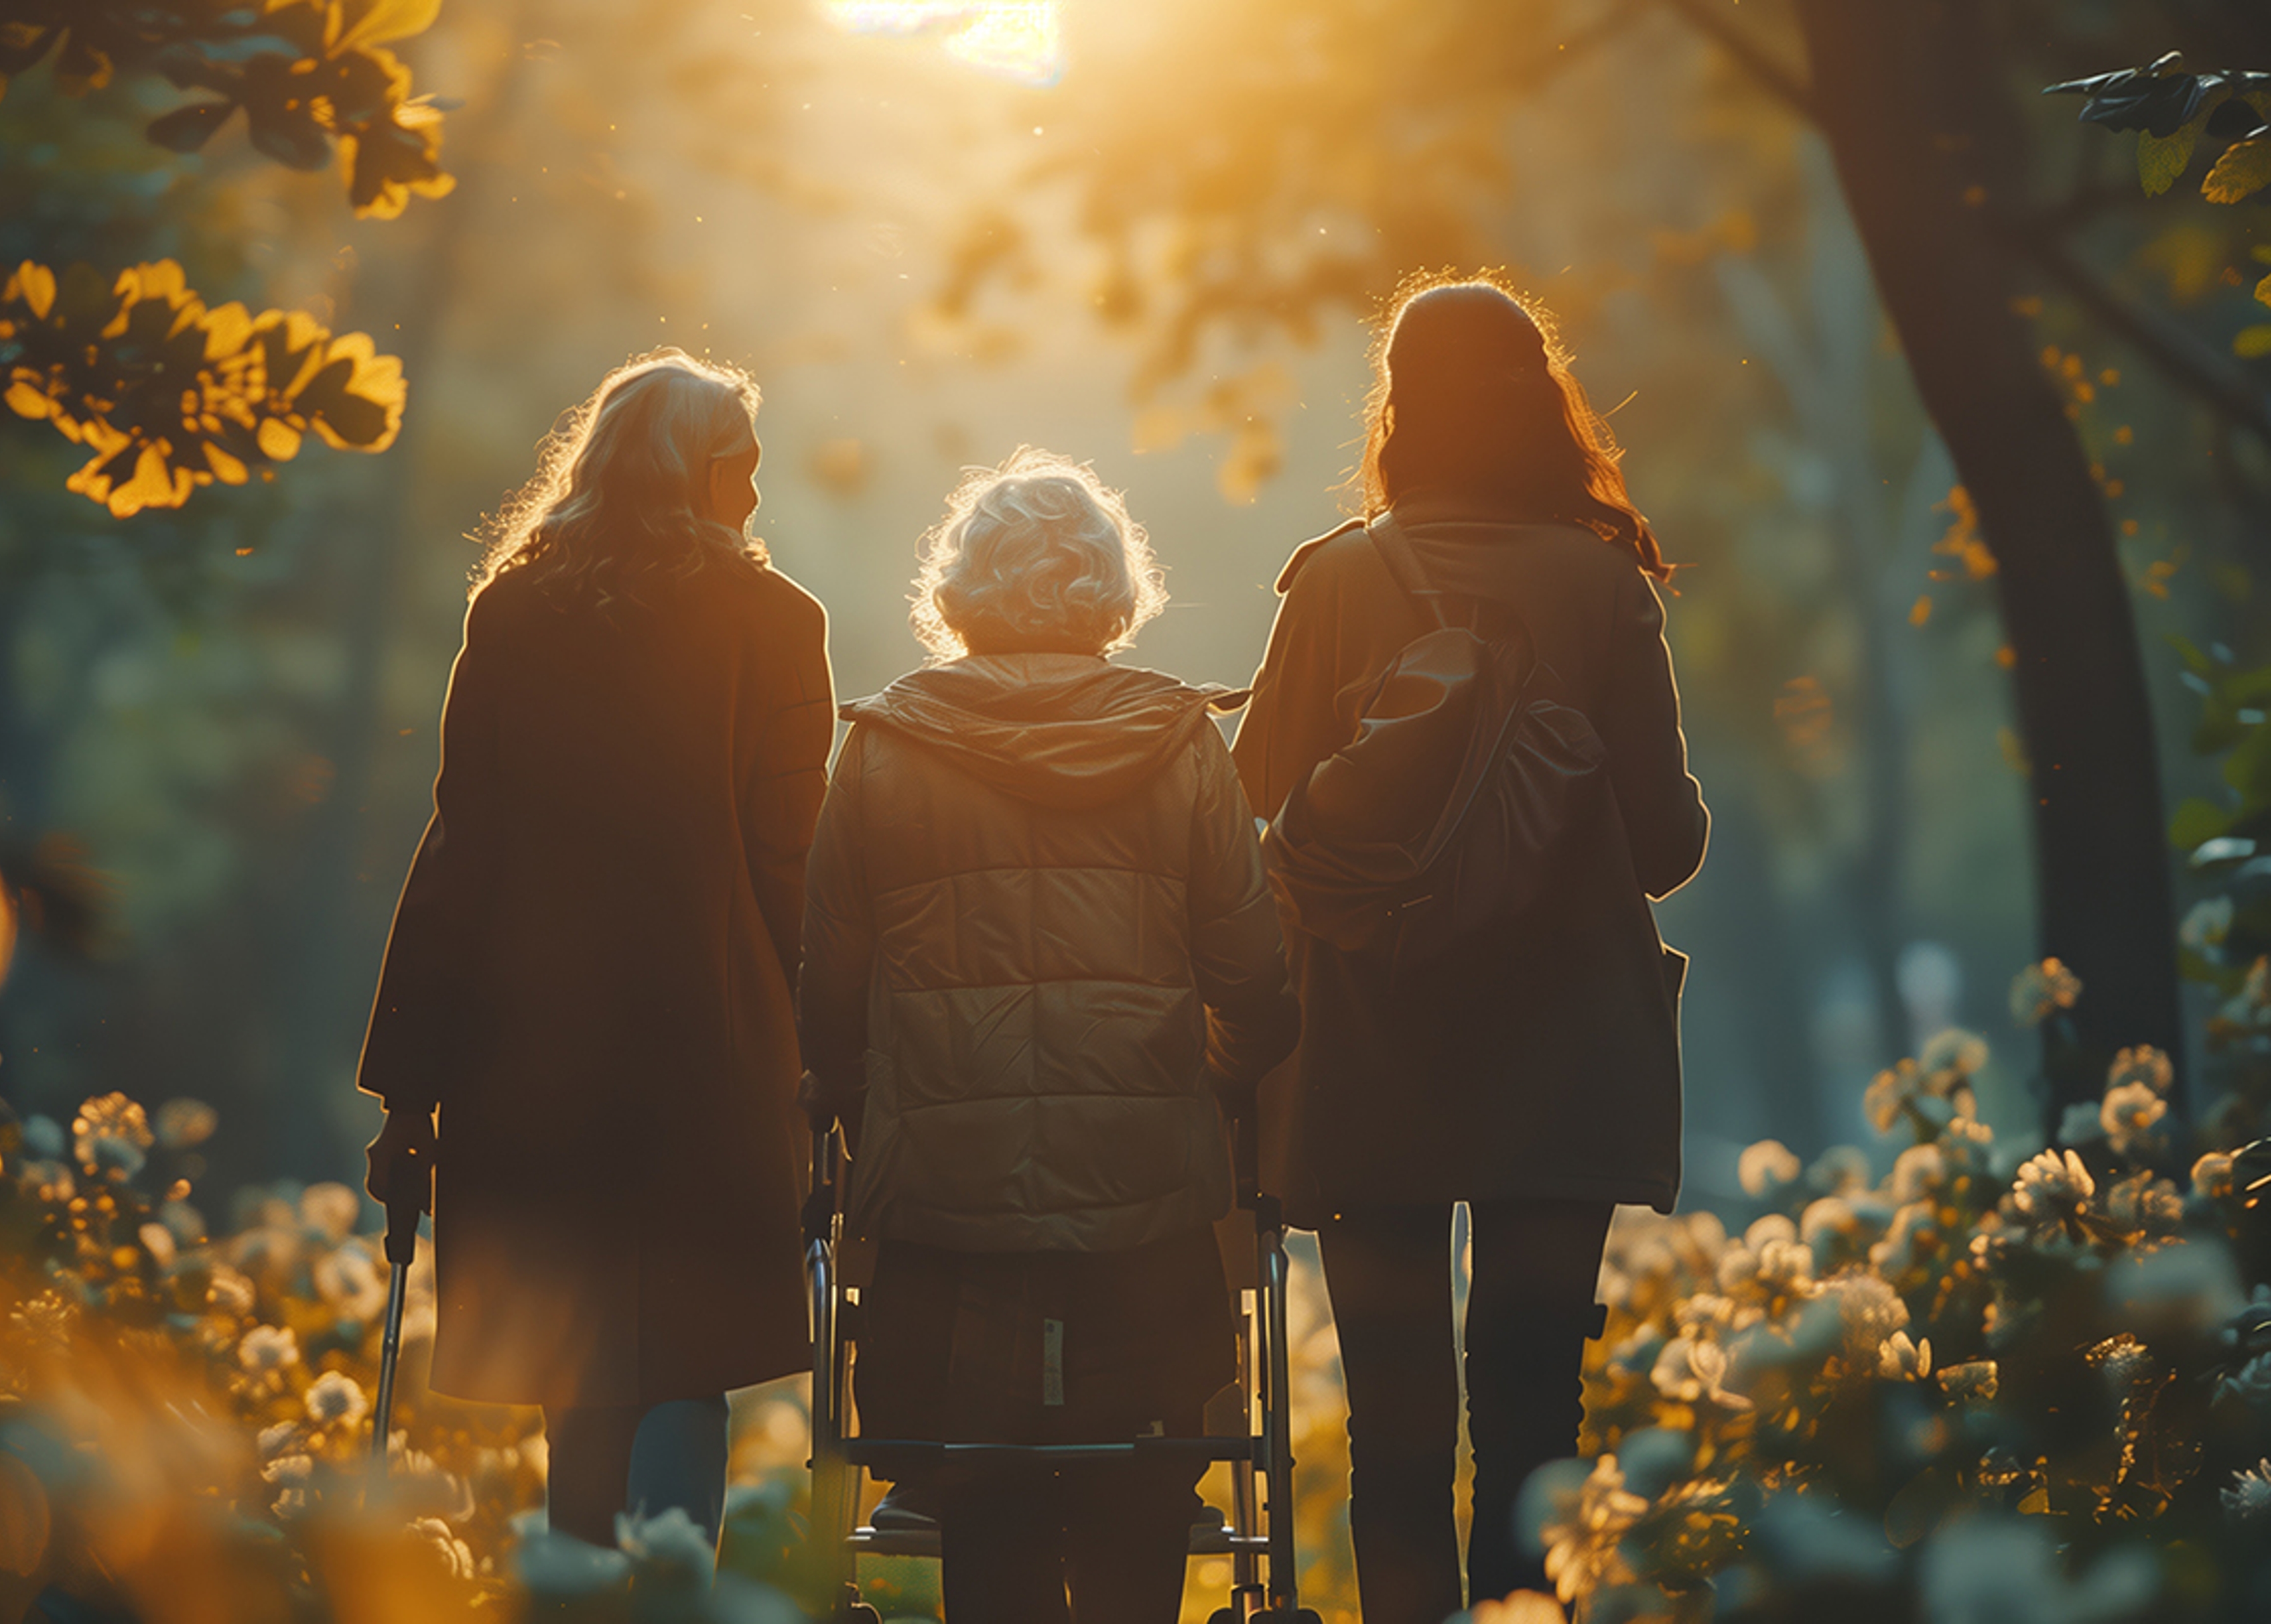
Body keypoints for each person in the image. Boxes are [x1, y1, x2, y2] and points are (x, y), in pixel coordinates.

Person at [1233, 275, 1708, 1617]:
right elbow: (1663, 845)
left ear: (1399, 407)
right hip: (1563, 1057)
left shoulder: (1332, 580)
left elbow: (1252, 801)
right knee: (1532, 1411)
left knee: (1390, 1417)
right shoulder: (1601, 584)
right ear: (1539, 404)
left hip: (1368, 1050)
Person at [798, 450, 1298, 1624]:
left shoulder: (881, 748)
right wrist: (1186, 1087)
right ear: (1110, 589)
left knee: (987, 1524)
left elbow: (829, 995)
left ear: (961, 587)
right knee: (1143, 1509)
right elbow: (1257, 987)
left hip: (946, 1219)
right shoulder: (1182, 746)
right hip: (1147, 1219)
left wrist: (898, 1112)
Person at [356, 351, 833, 1549]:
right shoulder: (780, 625)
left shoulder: (516, 614)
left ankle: (577, 1587)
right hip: (715, 1051)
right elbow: (793, 860)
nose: (759, 500)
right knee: (691, 1357)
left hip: (535, 1057)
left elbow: (464, 845)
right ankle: (675, 1592)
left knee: (584, 1368)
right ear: (696, 473)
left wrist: (409, 1088)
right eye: (747, 471)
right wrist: (837, 1048)